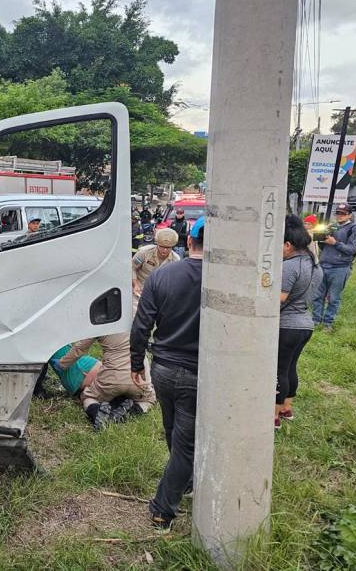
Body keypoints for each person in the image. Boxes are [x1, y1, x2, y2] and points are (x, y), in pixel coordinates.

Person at [130, 216, 205, 530]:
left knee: (173, 432)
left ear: (189, 241)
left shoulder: (163, 275)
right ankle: (163, 509)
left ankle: (182, 479)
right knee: (183, 442)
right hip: (196, 372)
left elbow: (141, 324)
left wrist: (136, 363)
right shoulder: (227, 280)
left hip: (161, 368)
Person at [276, 215, 323, 429]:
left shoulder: (290, 267)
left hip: (288, 326)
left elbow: (280, 300)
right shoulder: (315, 265)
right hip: (306, 324)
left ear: (288, 244)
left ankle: (274, 417)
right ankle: (287, 408)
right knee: (291, 367)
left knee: (279, 371)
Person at [55, 334, 157, 429]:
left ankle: (97, 414)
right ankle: (130, 412)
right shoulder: (141, 317)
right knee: (149, 400)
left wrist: (61, 364)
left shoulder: (101, 320)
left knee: (88, 396)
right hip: (139, 376)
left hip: (112, 377)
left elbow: (80, 348)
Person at [311, 203, 356, 331]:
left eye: (343, 213)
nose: (339, 216)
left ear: (349, 215)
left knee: (333, 297)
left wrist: (335, 243)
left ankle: (328, 323)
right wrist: (321, 238)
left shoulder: (354, 229)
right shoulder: (332, 226)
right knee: (318, 295)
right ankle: (315, 320)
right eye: (338, 213)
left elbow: (352, 249)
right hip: (323, 265)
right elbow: (322, 245)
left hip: (340, 267)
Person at [132, 228, 180, 309]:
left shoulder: (175, 260)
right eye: (161, 247)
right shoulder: (144, 253)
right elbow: (132, 268)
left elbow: (174, 281)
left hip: (160, 295)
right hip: (139, 291)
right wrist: (135, 284)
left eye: (168, 247)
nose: (164, 250)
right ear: (157, 244)